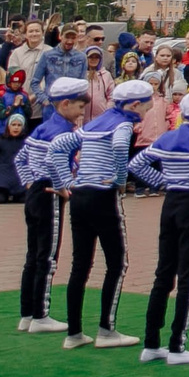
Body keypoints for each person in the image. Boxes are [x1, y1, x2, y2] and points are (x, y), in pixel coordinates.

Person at [130, 85, 189, 365]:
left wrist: (163, 182)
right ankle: (177, 347)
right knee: (188, 276)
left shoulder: (167, 138)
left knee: (163, 273)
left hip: (170, 203)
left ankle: (151, 342)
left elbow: (137, 164)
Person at [54, 78, 147, 349]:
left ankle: (74, 333)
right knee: (117, 263)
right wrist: (119, 179)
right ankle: (107, 330)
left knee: (80, 264)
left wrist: (66, 182)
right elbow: (119, 147)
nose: (146, 110)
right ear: (134, 104)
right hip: (103, 196)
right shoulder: (124, 123)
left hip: (80, 196)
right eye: (146, 105)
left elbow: (58, 148)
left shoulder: (94, 123)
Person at [15, 78, 90, 333]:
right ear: (65, 104)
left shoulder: (42, 128)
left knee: (33, 254)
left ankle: (27, 313)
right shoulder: (63, 132)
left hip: (36, 191)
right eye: (79, 107)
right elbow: (53, 162)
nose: (81, 113)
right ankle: (40, 315)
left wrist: (28, 182)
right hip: (49, 193)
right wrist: (65, 187)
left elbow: (21, 158)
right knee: (47, 256)